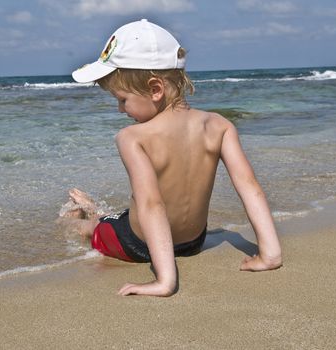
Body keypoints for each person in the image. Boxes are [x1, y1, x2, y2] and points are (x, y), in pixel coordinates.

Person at [64, 19, 282, 297]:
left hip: (138, 244)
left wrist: (165, 281)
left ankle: (86, 213)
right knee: (121, 216)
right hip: (193, 241)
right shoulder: (219, 125)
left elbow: (152, 204)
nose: (120, 109)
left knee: (88, 226)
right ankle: (97, 210)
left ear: (155, 89)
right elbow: (250, 187)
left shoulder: (132, 137)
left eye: (122, 99)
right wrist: (270, 254)